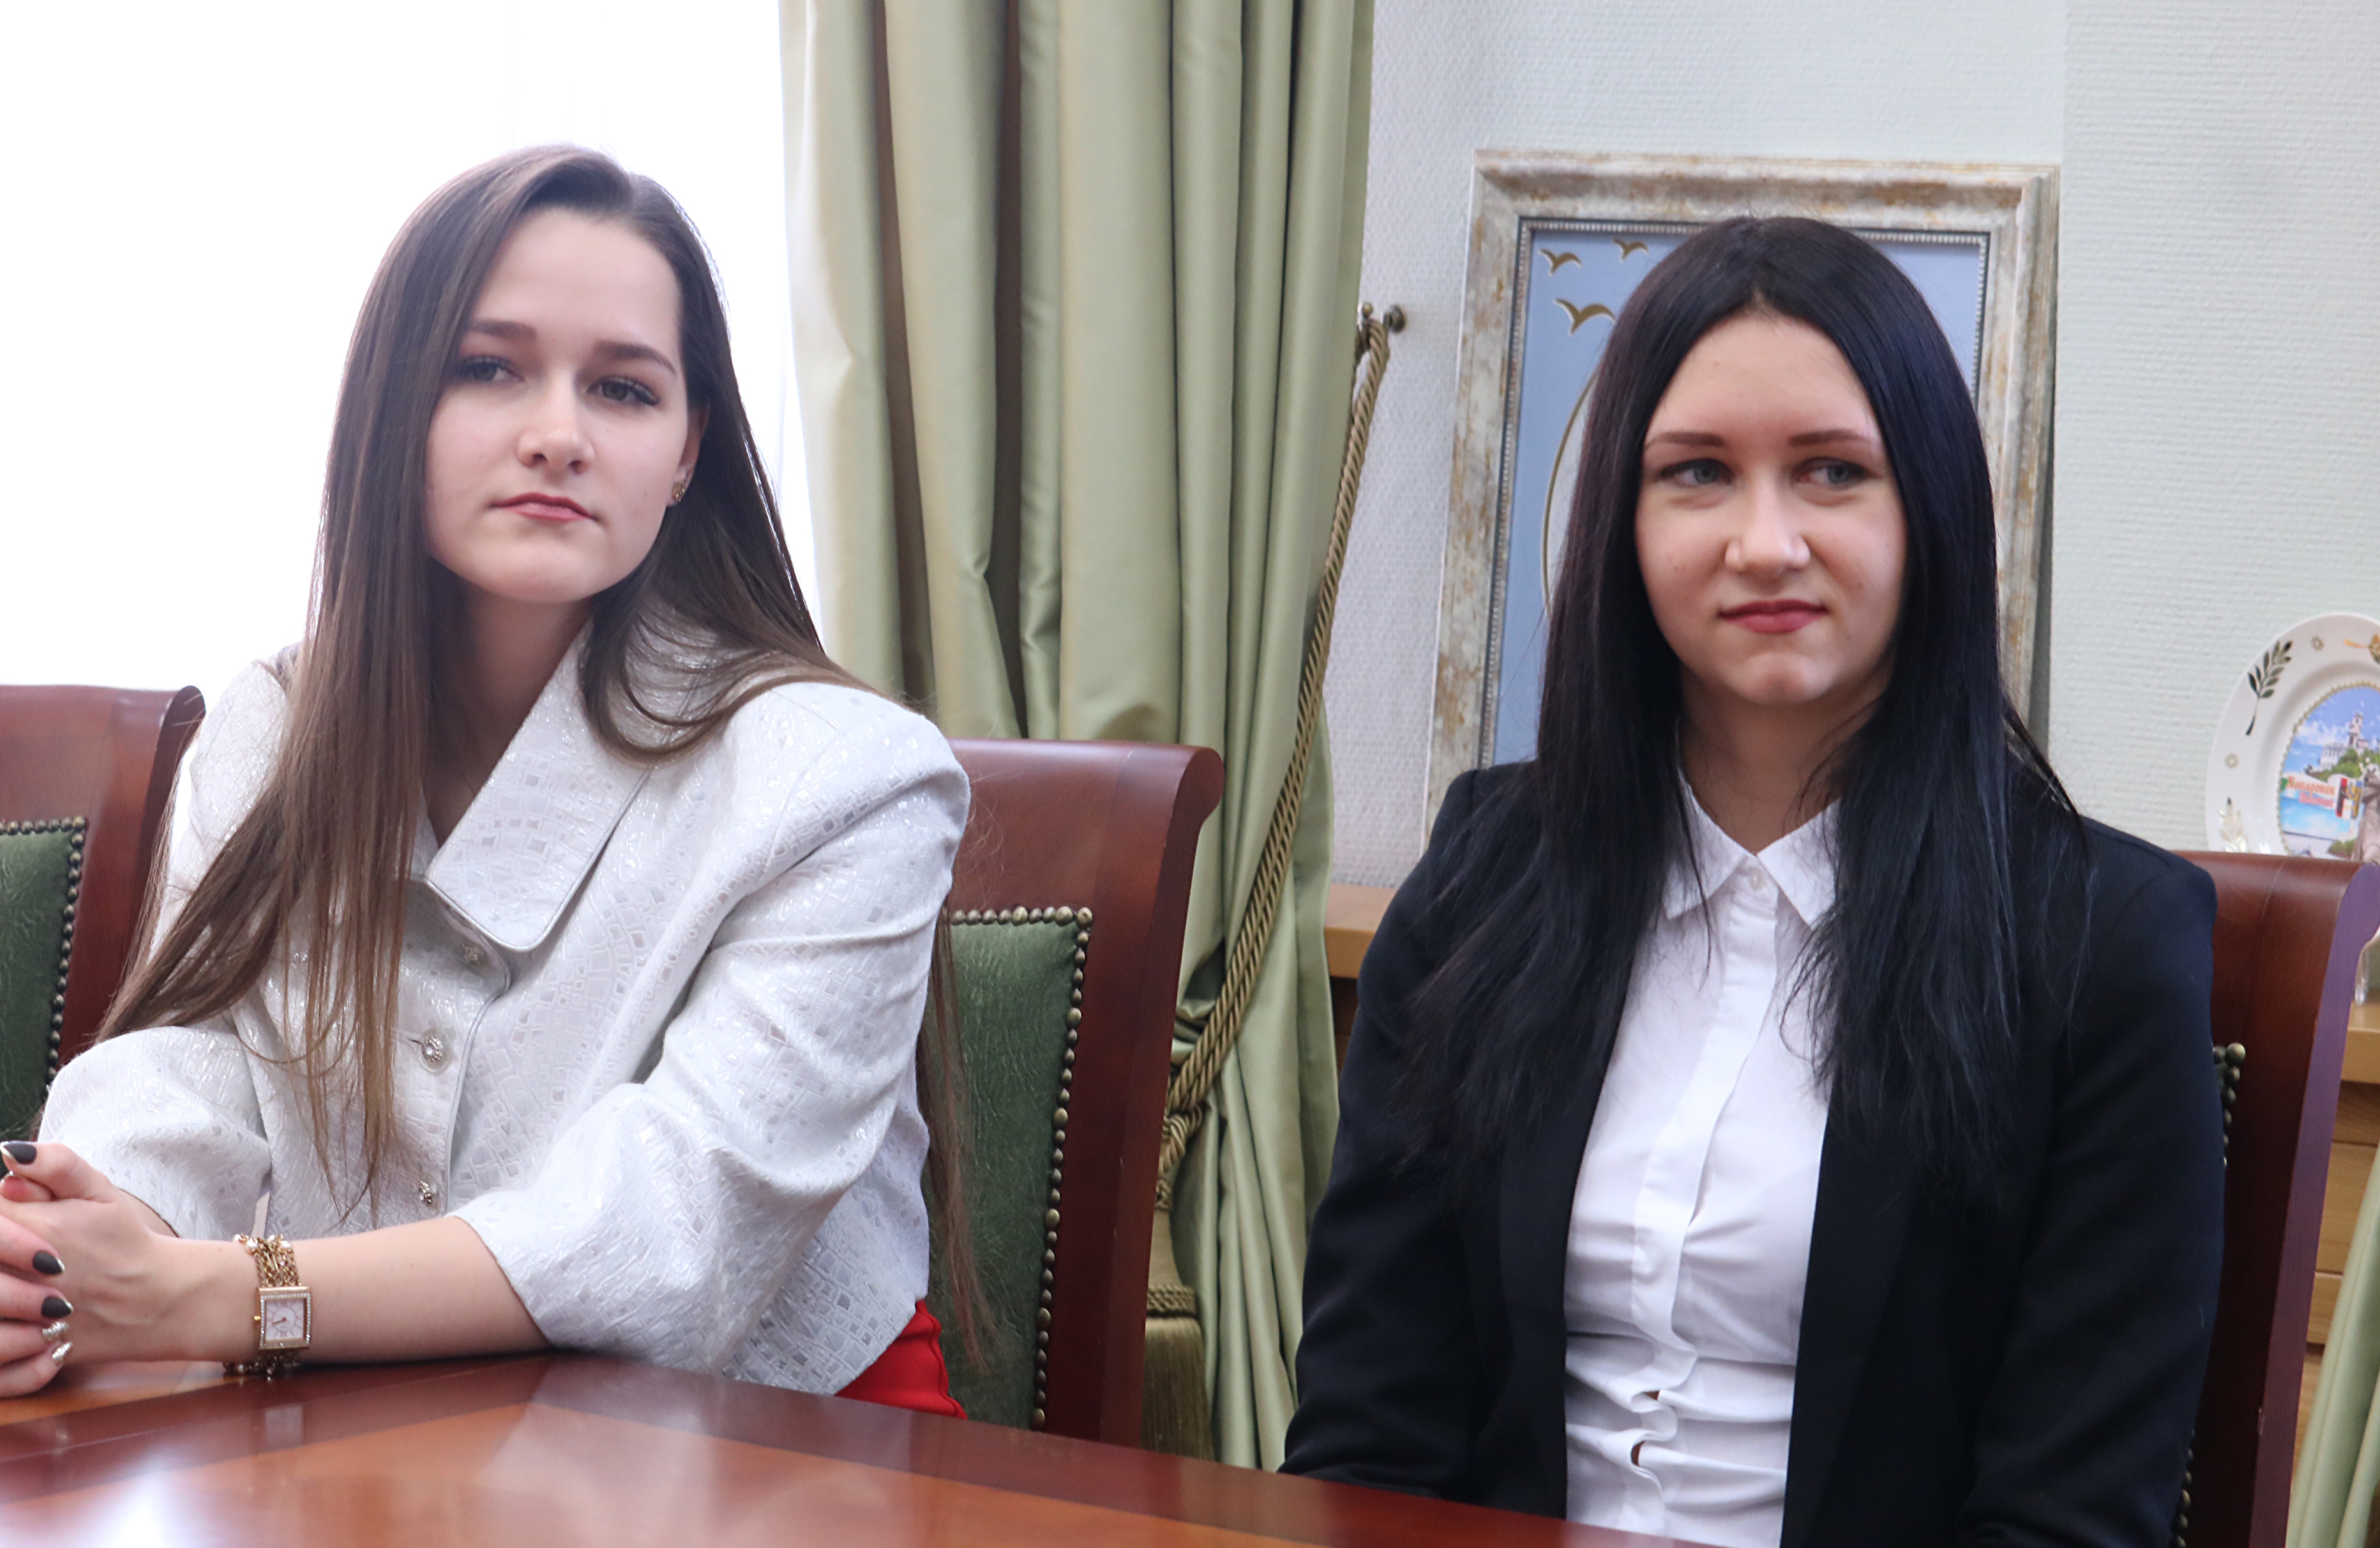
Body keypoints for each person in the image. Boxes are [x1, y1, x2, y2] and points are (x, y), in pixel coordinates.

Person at [1281, 218, 2222, 1546]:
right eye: (1698, 473)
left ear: (1931, 510)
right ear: (1621, 520)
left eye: (1833, 471)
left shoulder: (2101, 945)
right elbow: (1366, 1439)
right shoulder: (1484, 882)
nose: (1766, 542)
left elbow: (2067, 1517)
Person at [0, 147, 973, 1412]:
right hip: (365, 1432)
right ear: (393, 411)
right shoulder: (273, 725)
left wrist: (209, 1295)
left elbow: (669, 1231)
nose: (558, 435)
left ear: (687, 452)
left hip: (778, 1445)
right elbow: (188, 1058)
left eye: (624, 389)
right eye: (489, 368)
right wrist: (79, 1245)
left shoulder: (849, 777)